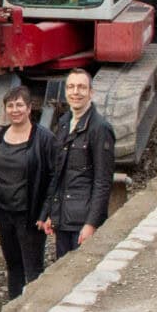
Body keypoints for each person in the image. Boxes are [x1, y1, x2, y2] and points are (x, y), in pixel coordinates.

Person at [0, 86, 58, 300]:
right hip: (5, 213)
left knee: (32, 268)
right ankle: (13, 306)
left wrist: (46, 213)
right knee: (13, 265)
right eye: (10, 105)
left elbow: (53, 178)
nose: (15, 110)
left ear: (29, 108)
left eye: (19, 105)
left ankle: (33, 310)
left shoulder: (44, 139)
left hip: (29, 215)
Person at [43, 68, 116, 258]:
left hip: (82, 221)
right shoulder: (65, 123)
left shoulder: (100, 129)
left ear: (91, 92)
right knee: (62, 272)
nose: (76, 92)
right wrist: (52, 213)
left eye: (81, 87)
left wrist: (91, 224)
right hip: (64, 218)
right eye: (71, 87)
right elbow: (58, 174)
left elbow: (103, 181)